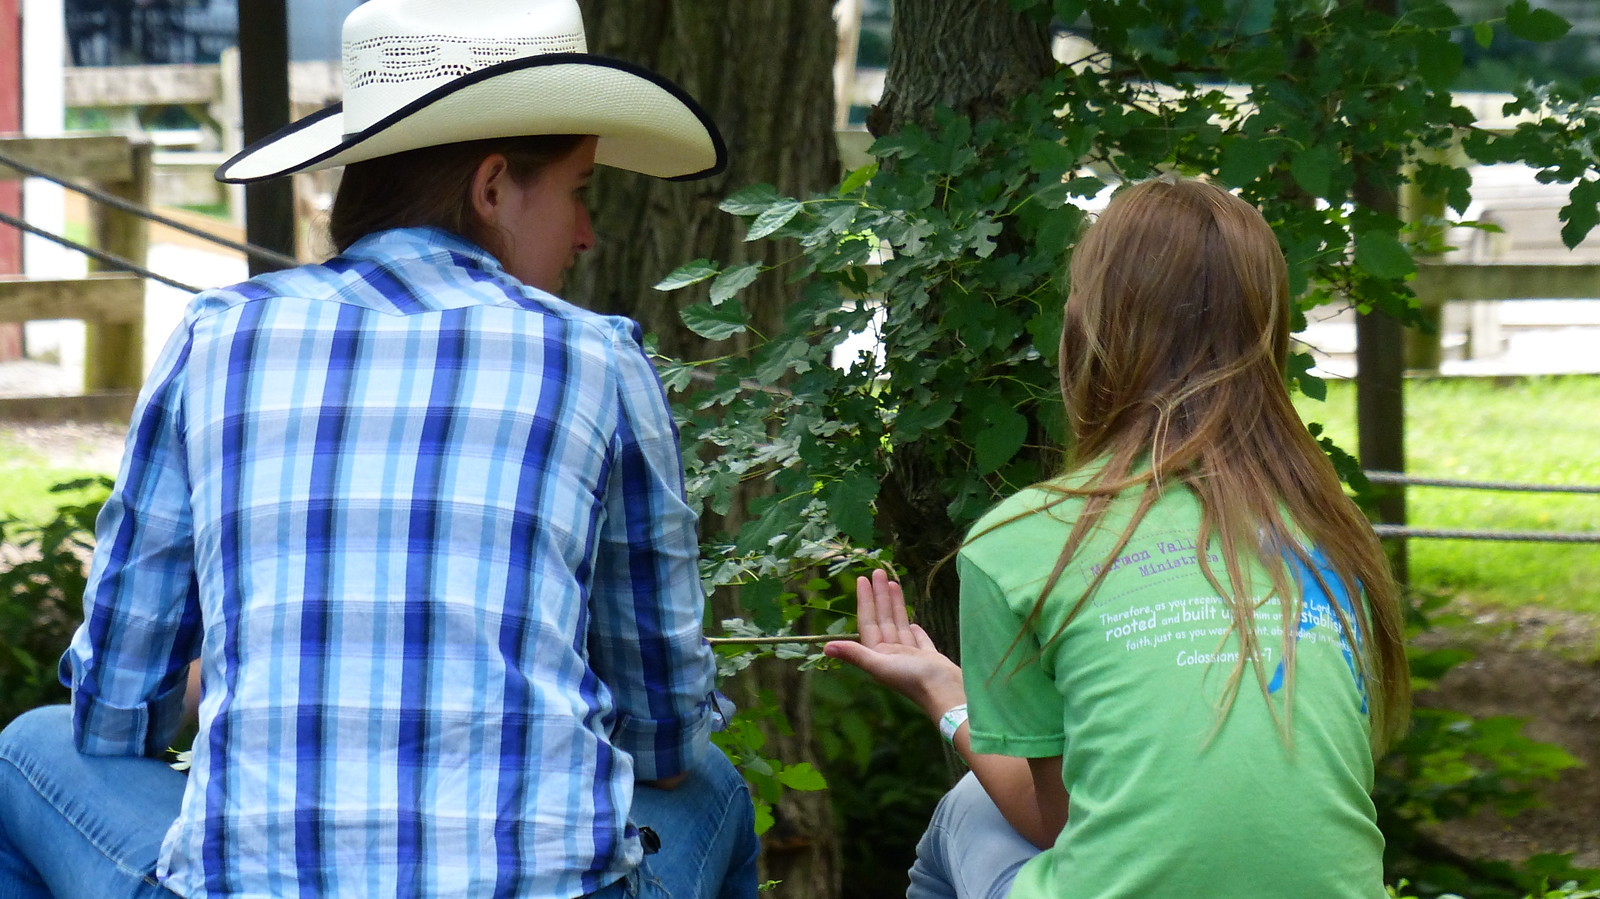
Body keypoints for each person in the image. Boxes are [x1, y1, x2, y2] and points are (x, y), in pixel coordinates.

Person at [0, 1, 759, 897]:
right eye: (578, 189)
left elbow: (115, 711)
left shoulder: (217, 336)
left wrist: (237, 673)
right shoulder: (598, 357)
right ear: (490, 187)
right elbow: (664, 737)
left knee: (26, 749)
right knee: (714, 786)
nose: (587, 231)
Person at [826, 177, 1411, 898]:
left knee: (966, 810)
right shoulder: (1330, 535)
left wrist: (944, 693)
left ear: (1087, 327)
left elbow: (1057, 824)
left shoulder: (1021, 540)